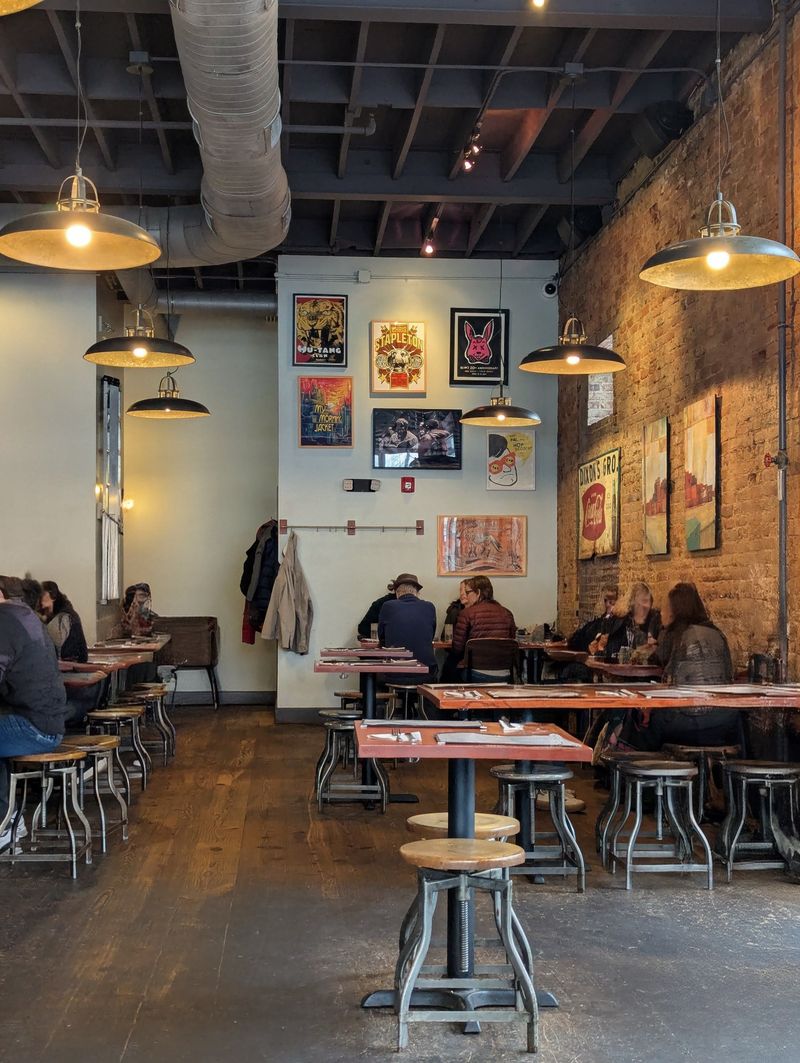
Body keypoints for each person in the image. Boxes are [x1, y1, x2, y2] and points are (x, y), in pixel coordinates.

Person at [0, 575, 68, 849]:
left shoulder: (4, 620)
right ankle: (10, 820)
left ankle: (4, 825)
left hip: (35, 726)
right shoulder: (25, 617)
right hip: (48, 721)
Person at [632, 582, 739, 751]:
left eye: (666, 608)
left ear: (676, 610)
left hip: (685, 722)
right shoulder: (717, 633)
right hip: (724, 721)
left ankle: (640, 770)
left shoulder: (675, 634)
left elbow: (655, 661)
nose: (661, 612)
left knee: (641, 719)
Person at [452, 575, 516, 681]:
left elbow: (457, 649)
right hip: (504, 674)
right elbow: (512, 642)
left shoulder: (466, 614)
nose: (466, 596)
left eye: (468, 592)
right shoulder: (507, 613)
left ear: (478, 593)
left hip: (475, 673)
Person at [377, 573, 437, 680]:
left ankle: (392, 696)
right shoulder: (429, 607)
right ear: (417, 592)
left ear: (397, 592)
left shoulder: (388, 606)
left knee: (378, 673)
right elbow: (430, 636)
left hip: (394, 673)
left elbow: (382, 639)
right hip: (426, 672)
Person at [590, 581, 660, 661]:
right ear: (632, 603)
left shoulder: (655, 622)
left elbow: (663, 653)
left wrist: (654, 648)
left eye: (647, 601)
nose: (645, 605)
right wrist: (600, 648)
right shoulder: (620, 624)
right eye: (642, 601)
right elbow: (610, 653)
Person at [39, 581, 88, 663]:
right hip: (67, 663)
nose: (40, 598)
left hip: (72, 665)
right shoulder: (51, 615)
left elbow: (52, 647)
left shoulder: (64, 616)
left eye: (43, 594)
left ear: (53, 596)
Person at [439, 580, 469, 682]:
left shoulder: (480, 612)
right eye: (460, 590)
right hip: (456, 653)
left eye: (466, 590)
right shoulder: (454, 610)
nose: (462, 593)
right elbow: (445, 637)